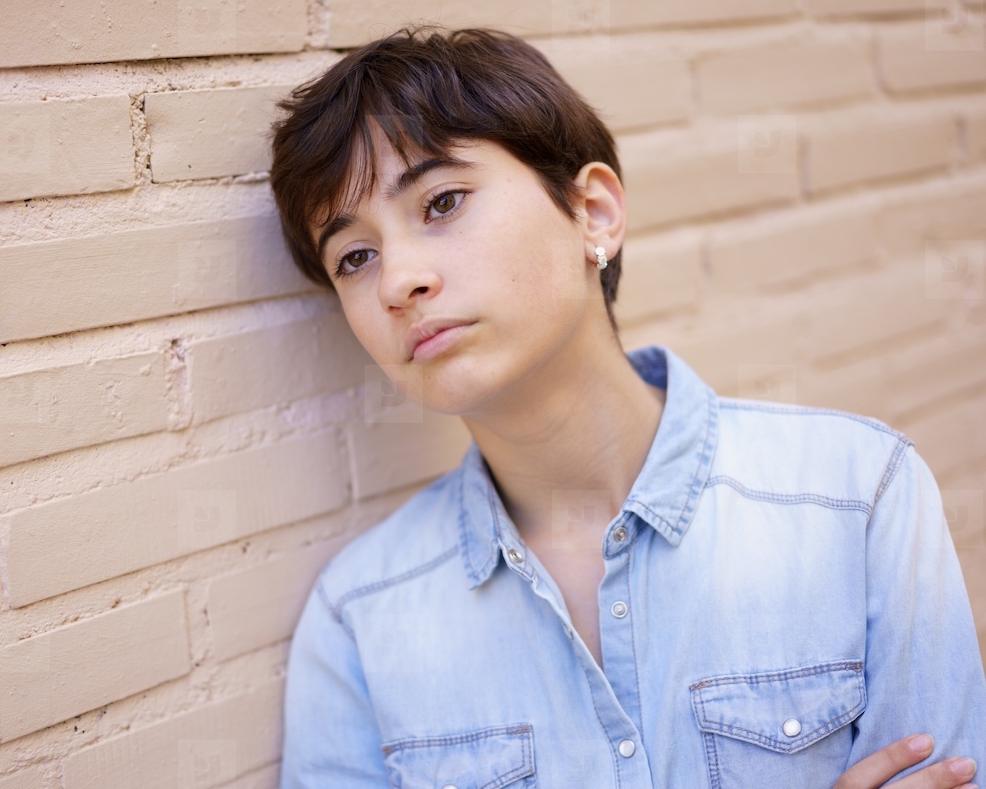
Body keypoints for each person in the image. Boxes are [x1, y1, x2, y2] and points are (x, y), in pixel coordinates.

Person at [267, 27, 986, 788]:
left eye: (442, 202)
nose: (397, 281)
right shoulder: (360, 617)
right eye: (355, 255)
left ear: (594, 214)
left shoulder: (856, 495)